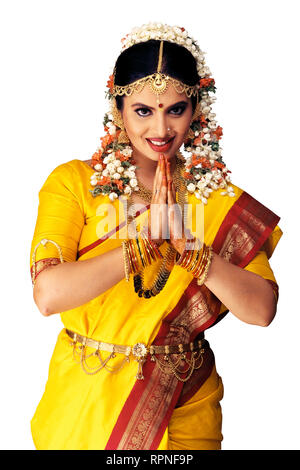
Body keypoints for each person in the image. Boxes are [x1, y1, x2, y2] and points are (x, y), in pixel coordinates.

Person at [29, 22, 282, 450]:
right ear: (118, 109)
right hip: (86, 401)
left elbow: (260, 310)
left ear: (197, 108)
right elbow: (47, 295)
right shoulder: (75, 183)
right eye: (143, 110)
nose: (160, 129)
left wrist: (192, 252)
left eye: (175, 109)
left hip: (183, 401)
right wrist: (142, 242)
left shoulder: (217, 198)